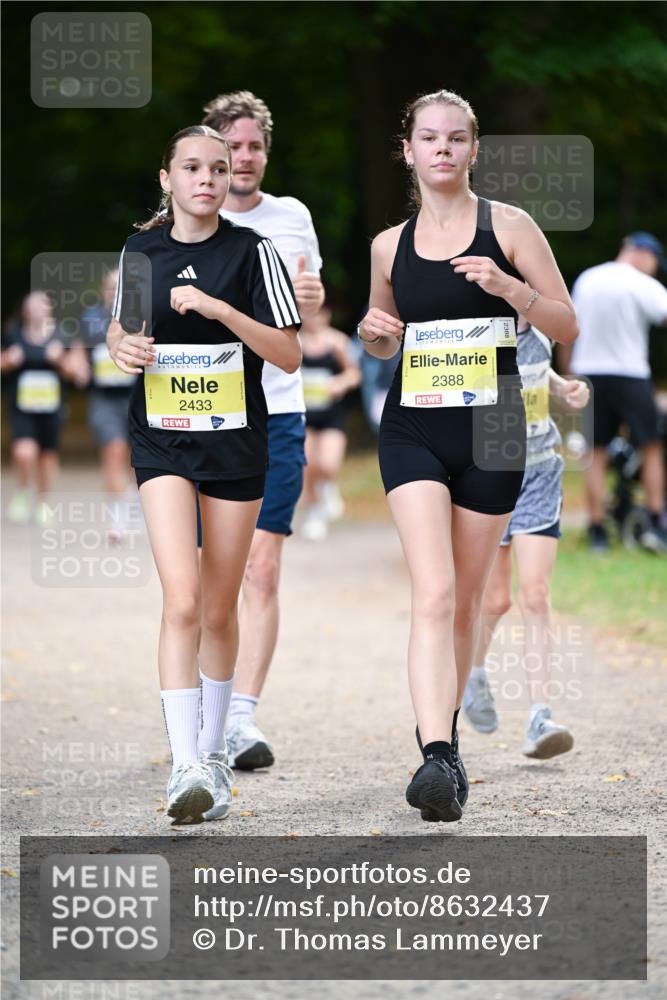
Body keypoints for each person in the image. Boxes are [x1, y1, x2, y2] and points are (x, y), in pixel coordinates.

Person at [358, 89, 578, 823]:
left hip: (493, 429)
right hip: (414, 425)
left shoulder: (509, 226)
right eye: (429, 138)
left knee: (466, 596)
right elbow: (385, 334)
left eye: (457, 138)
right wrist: (374, 333)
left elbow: (563, 319)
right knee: (433, 590)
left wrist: (508, 286)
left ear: (473, 150)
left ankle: (446, 746)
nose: (443, 149)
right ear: (409, 150)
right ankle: (435, 755)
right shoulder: (387, 245)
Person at [106, 125, 301, 824]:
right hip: (161, 442)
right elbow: (120, 330)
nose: (208, 179)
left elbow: (287, 354)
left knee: (220, 608)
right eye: (192, 167)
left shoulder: (254, 253)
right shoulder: (140, 251)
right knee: (181, 600)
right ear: (167, 178)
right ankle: (183, 760)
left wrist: (221, 311)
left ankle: (215, 752)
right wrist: (121, 344)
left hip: (235, 447)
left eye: (218, 169)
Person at [201, 91, 324, 769]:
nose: (242, 159)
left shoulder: (292, 218)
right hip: (205, 417)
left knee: (263, 568)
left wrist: (312, 302)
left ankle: (241, 719)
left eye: (252, 147)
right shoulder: (181, 217)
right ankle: (199, 708)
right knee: (202, 578)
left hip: (277, 411)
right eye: (231, 147)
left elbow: (309, 303)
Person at [464, 315, 589, 756]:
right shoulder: (474, 324)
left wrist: (562, 388)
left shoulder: (539, 324)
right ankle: (473, 674)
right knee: (495, 600)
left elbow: (537, 368)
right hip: (490, 468)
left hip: (539, 470)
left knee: (535, 594)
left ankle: (540, 716)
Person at [565, 232, 667, 553]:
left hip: (589, 374)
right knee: (652, 448)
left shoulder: (587, 279)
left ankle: (597, 530)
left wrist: (569, 376)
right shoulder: (642, 283)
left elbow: (568, 331)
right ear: (643, 254)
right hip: (630, 374)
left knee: (595, 453)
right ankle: (654, 521)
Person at [65, 270, 136, 540]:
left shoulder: (140, 316)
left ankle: (133, 498)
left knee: (136, 459)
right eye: (110, 287)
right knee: (114, 450)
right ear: (103, 289)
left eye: (119, 287)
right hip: (104, 397)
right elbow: (78, 349)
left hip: (135, 396)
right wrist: (78, 366)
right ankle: (117, 518)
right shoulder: (90, 316)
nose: (114, 292)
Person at [2, 291, 70, 525]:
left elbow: (78, 373)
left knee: (47, 458)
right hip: (22, 407)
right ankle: (22, 489)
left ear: (49, 310)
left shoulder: (61, 335)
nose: (38, 310)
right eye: (33, 306)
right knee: (24, 452)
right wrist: (8, 360)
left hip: (52, 408)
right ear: (25, 311)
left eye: (42, 306)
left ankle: (43, 503)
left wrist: (60, 359)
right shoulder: (13, 334)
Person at [300, 306, 361, 540]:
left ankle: (328, 487)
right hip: (305, 413)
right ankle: (314, 514)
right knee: (307, 465)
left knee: (328, 463)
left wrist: (341, 383)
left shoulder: (337, 342)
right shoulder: (295, 341)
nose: (313, 319)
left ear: (326, 315)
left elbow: (355, 374)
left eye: (317, 314)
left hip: (331, 413)